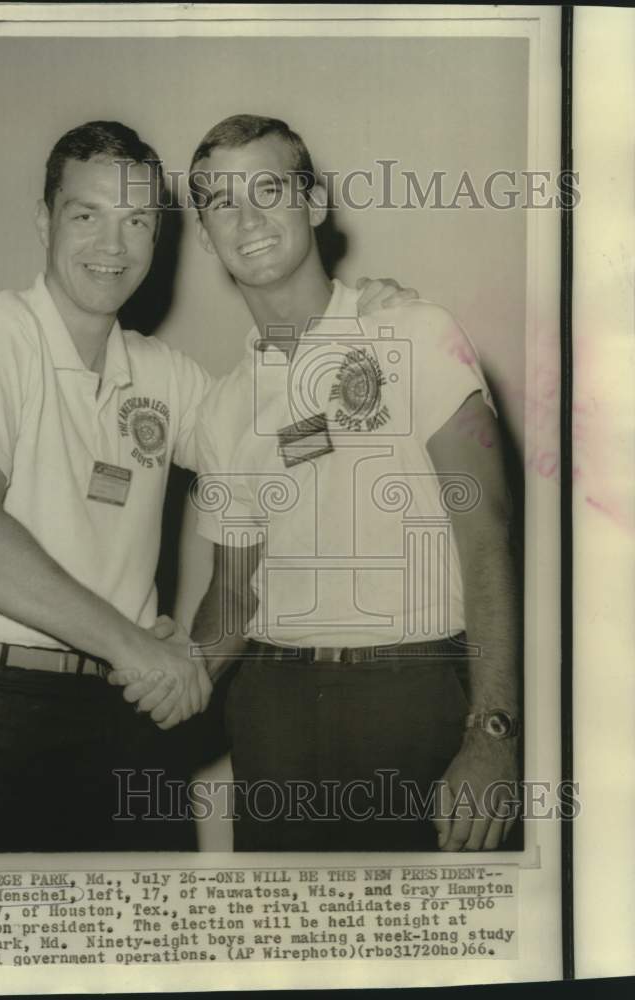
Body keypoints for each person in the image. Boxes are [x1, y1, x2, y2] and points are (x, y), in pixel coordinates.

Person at [0, 119, 413, 853]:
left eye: (137, 220)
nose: (113, 247)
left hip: (129, 712)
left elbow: (271, 446)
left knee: (141, 960)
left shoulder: (163, 375)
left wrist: (349, 332)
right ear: (46, 221)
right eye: (88, 216)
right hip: (3, 709)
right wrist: (137, 649)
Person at [188, 115, 521, 853]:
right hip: (271, 710)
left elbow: (487, 533)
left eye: (268, 189)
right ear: (206, 236)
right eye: (220, 201)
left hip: (412, 696)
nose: (248, 218)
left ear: (313, 202)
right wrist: (174, 677)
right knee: (282, 955)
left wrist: (494, 732)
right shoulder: (220, 407)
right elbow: (233, 596)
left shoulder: (414, 330)